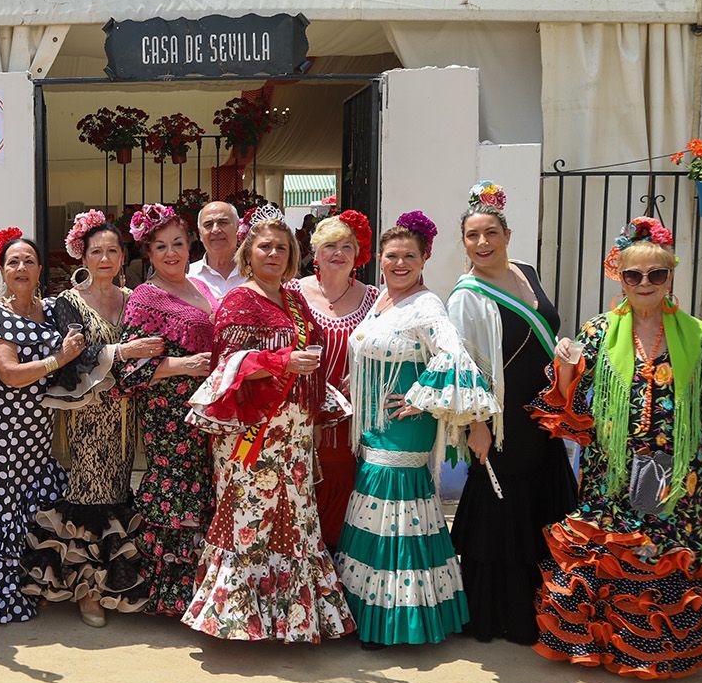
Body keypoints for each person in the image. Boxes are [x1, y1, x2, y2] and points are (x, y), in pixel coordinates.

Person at [529, 216, 702, 678]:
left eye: (656, 274)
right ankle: (608, 647)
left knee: (664, 550)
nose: (644, 283)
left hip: (677, 471)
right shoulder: (598, 330)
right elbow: (574, 398)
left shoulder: (698, 334)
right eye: (633, 274)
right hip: (611, 468)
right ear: (619, 276)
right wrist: (565, 368)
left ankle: (659, 651)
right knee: (612, 550)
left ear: (669, 277)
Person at [183, 205, 355, 643]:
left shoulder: (294, 298)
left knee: (295, 517)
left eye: (282, 246)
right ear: (248, 253)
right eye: (265, 246)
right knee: (248, 516)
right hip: (253, 432)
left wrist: (315, 412)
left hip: (294, 430)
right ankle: (239, 619)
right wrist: (282, 361)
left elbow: (312, 354)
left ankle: (290, 620)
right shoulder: (240, 299)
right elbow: (228, 364)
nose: (274, 253)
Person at [336, 212, 499, 647]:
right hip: (374, 426)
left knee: (394, 510)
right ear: (380, 261)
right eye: (392, 256)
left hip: (402, 429)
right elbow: (384, 348)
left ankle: (394, 623)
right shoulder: (384, 301)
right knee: (378, 507)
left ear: (424, 259)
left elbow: (454, 357)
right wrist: (361, 378)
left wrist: (418, 398)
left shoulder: (427, 304)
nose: (400, 263)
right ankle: (373, 613)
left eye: (409, 256)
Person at [446, 183, 577, 645]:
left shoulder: (527, 271)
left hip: (543, 412)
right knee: (502, 513)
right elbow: (464, 366)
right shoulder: (466, 295)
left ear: (507, 233)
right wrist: (476, 425)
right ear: (463, 242)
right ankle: (499, 614)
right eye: (472, 236)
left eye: (490, 233)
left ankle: (545, 609)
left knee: (541, 506)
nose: (482, 243)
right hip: (501, 422)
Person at [24, 211, 162, 626]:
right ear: (81, 255)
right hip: (85, 415)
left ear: (124, 256)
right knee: (87, 496)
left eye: (112, 251)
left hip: (126, 413)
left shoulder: (137, 297)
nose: (104, 258)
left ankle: (105, 583)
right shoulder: (69, 303)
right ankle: (87, 591)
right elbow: (73, 361)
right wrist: (121, 353)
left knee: (118, 490)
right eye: (96, 251)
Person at [0, 229, 85, 623]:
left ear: (39, 269)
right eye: (12, 261)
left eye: (28, 261)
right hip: (5, 429)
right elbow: (11, 373)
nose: (20, 267)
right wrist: (57, 361)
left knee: (34, 499)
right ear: (1, 270)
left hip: (40, 429)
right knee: (4, 504)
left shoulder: (50, 310)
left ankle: (33, 583)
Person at [115, 203, 215, 617]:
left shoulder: (202, 290)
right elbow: (129, 369)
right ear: (149, 254)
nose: (172, 252)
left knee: (204, 487)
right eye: (162, 246)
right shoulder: (145, 297)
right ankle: (170, 596)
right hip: (168, 414)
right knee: (177, 493)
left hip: (206, 410)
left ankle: (201, 593)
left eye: (178, 243)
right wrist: (185, 366)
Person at [285, 211, 377, 551]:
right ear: (315, 251)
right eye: (330, 246)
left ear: (357, 253)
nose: (338, 253)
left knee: (346, 500)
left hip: (352, 423)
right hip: (301, 418)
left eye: (347, 246)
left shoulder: (373, 298)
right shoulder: (290, 293)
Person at [189, 200, 242, 300]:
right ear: (200, 234)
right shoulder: (187, 276)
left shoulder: (257, 274)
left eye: (223, 223)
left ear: (237, 228)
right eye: (208, 225)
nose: (215, 230)